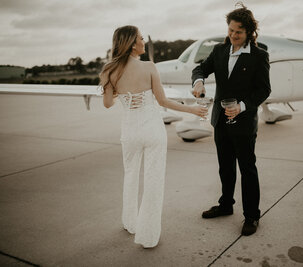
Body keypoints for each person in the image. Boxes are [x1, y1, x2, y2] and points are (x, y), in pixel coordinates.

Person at [100, 25, 207, 248]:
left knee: (130, 175)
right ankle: (147, 236)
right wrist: (192, 110)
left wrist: (115, 88)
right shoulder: (149, 67)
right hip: (152, 130)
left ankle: (130, 223)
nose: (143, 42)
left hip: (129, 132)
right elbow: (163, 102)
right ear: (131, 43)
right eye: (140, 38)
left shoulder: (109, 71)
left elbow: (108, 104)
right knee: (153, 181)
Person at [191, 3, 271, 236]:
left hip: (244, 123)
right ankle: (226, 205)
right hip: (220, 120)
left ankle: (252, 216)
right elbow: (200, 70)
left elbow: (263, 90)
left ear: (249, 33)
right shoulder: (219, 51)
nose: (233, 35)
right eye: (230, 30)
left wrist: (242, 106)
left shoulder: (259, 56)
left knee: (247, 168)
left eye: (238, 32)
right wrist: (198, 82)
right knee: (225, 167)